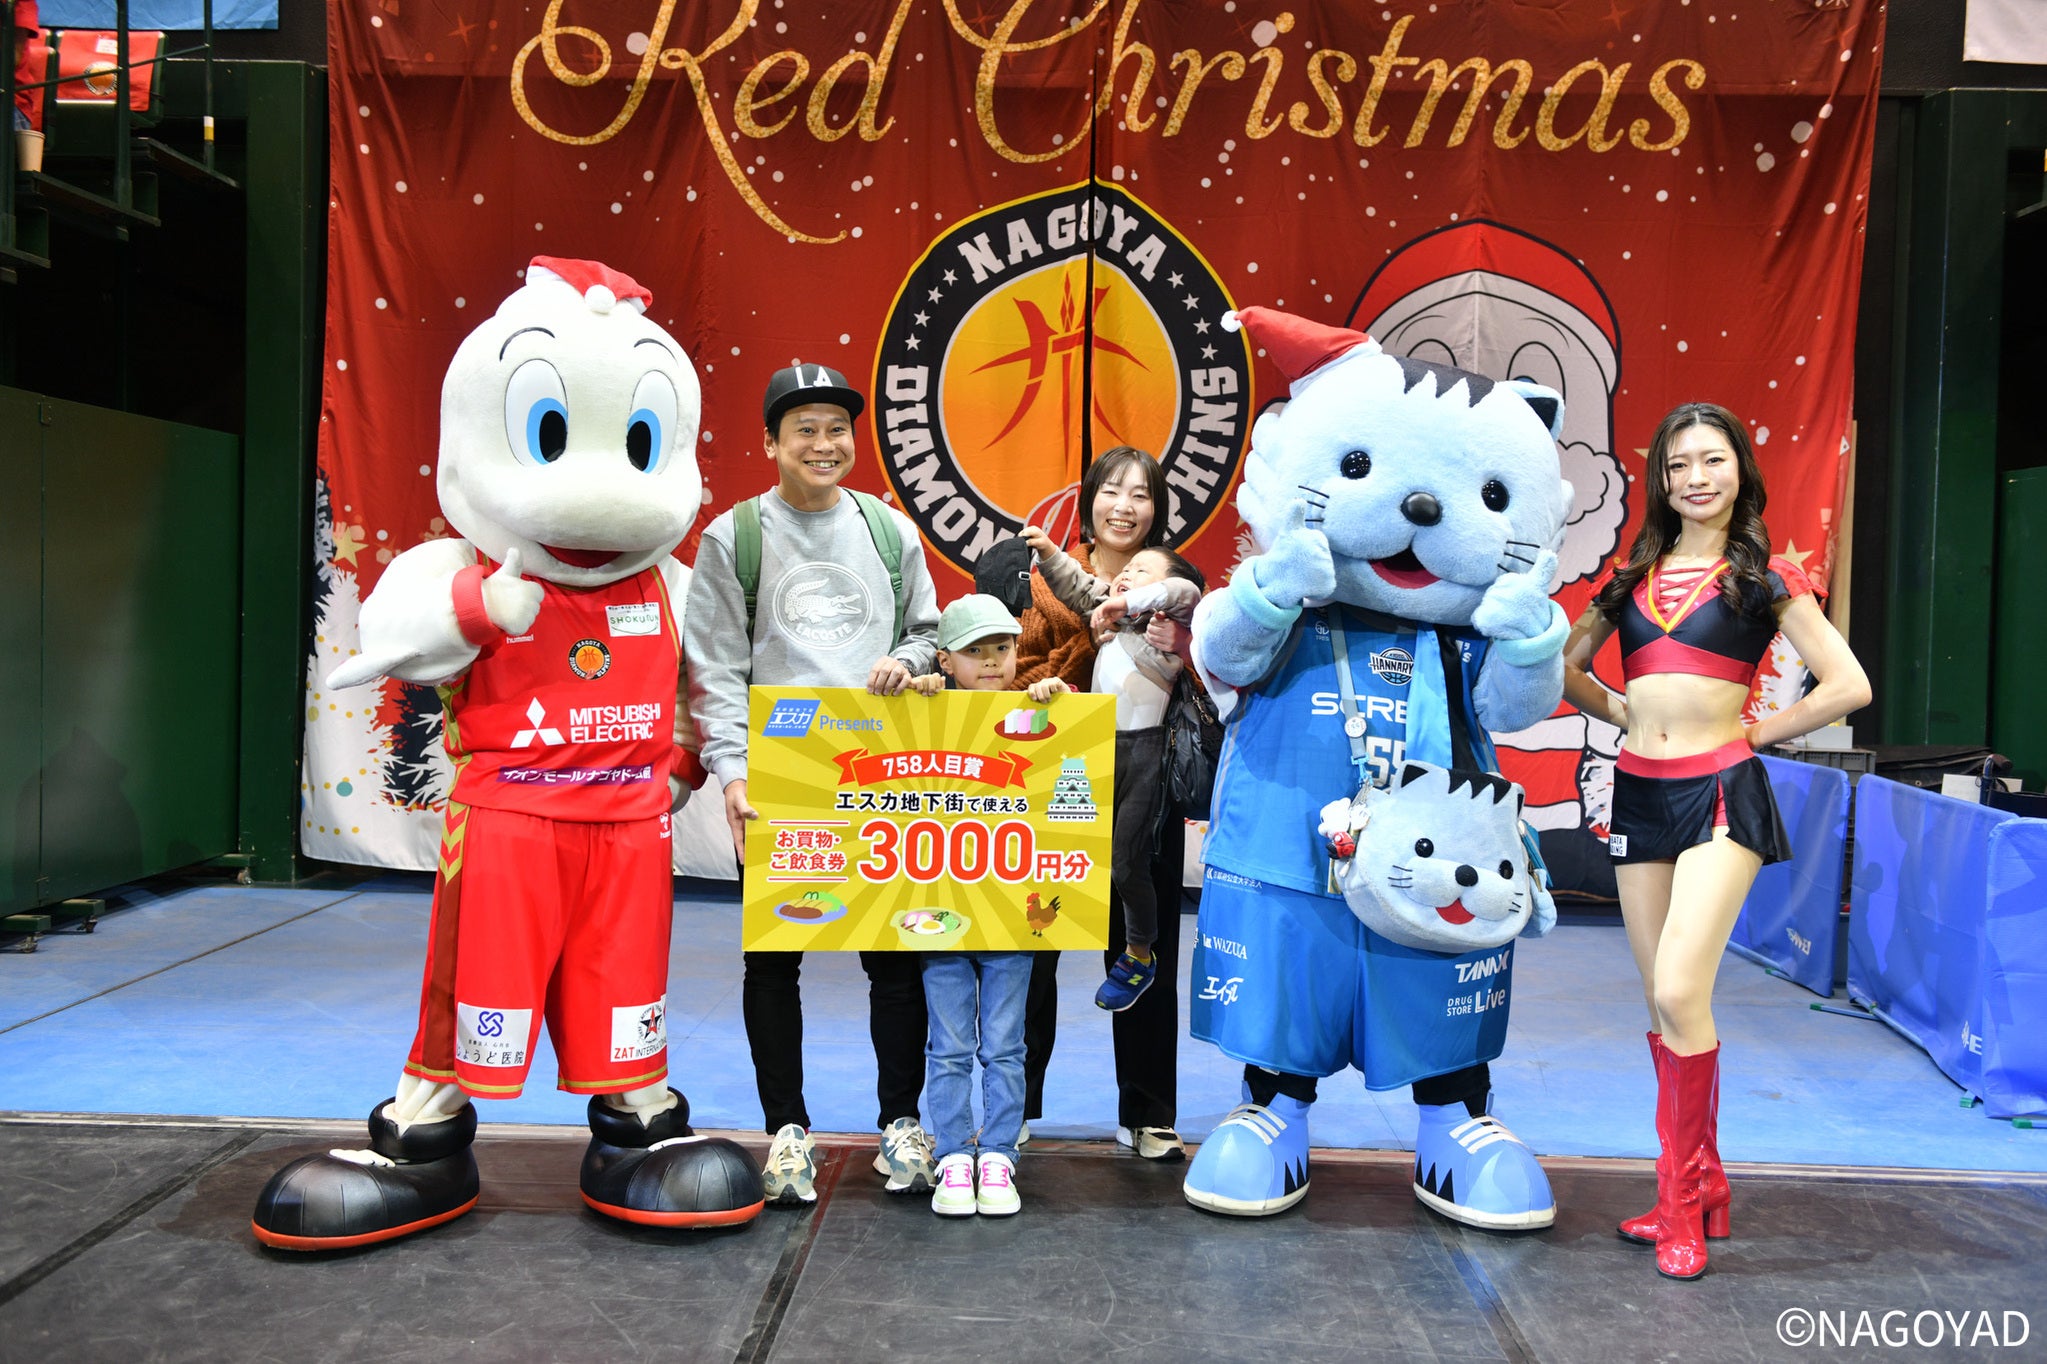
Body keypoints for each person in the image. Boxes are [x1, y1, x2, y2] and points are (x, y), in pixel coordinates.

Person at [1561, 401, 1870, 1281]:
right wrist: (1625, 714)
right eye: (1677, 465)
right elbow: (1565, 667)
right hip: (1639, 791)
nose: (1694, 478)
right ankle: (1703, 1180)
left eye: (1711, 460)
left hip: (1722, 793)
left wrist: (1752, 734)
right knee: (1658, 1003)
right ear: (1659, 480)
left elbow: (1847, 683)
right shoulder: (1631, 578)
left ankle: (1679, 1202)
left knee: (1678, 987)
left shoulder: (1766, 577)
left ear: (1740, 471)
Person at [684, 362, 943, 1206]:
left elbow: (928, 632)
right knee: (774, 962)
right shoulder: (734, 537)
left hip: (880, 773)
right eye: (805, 430)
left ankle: (900, 1123)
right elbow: (714, 668)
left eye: (837, 429)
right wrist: (732, 774)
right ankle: (786, 1132)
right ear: (771, 442)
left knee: (895, 960)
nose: (824, 444)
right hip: (781, 777)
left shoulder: (888, 530)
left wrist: (905, 660)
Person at [1012, 445, 1192, 1162]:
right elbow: (1011, 667)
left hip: (1148, 775)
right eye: (1112, 491)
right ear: (1088, 501)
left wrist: (1169, 635)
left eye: (1141, 494)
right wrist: (1067, 667)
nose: (1125, 506)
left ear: (1157, 510)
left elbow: (1209, 668)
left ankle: (1146, 1112)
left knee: (1144, 943)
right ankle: (1014, 1103)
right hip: (1056, 778)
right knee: (1034, 941)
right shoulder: (1044, 582)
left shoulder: (1176, 586)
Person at [907, 594, 1073, 1215]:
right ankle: (953, 1154)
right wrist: (918, 695)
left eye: (1001, 647)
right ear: (945, 661)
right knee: (948, 1047)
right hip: (939, 918)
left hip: (1011, 920)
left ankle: (999, 1153)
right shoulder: (924, 711)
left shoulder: (1037, 710)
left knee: (1005, 1046)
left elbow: (1070, 741)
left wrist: (1058, 698)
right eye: (973, 651)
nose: (991, 661)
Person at [1024, 530, 1204, 1011]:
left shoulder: (1168, 623)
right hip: (1092, 750)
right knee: (1067, 851)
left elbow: (1183, 590)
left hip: (1144, 756)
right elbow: (1076, 584)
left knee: (1127, 863)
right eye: (1126, 569)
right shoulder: (1109, 610)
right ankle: (1041, 927)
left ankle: (1139, 953)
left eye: (1142, 570)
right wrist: (1049, 552)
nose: (1127, 574)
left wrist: (1129, 601)